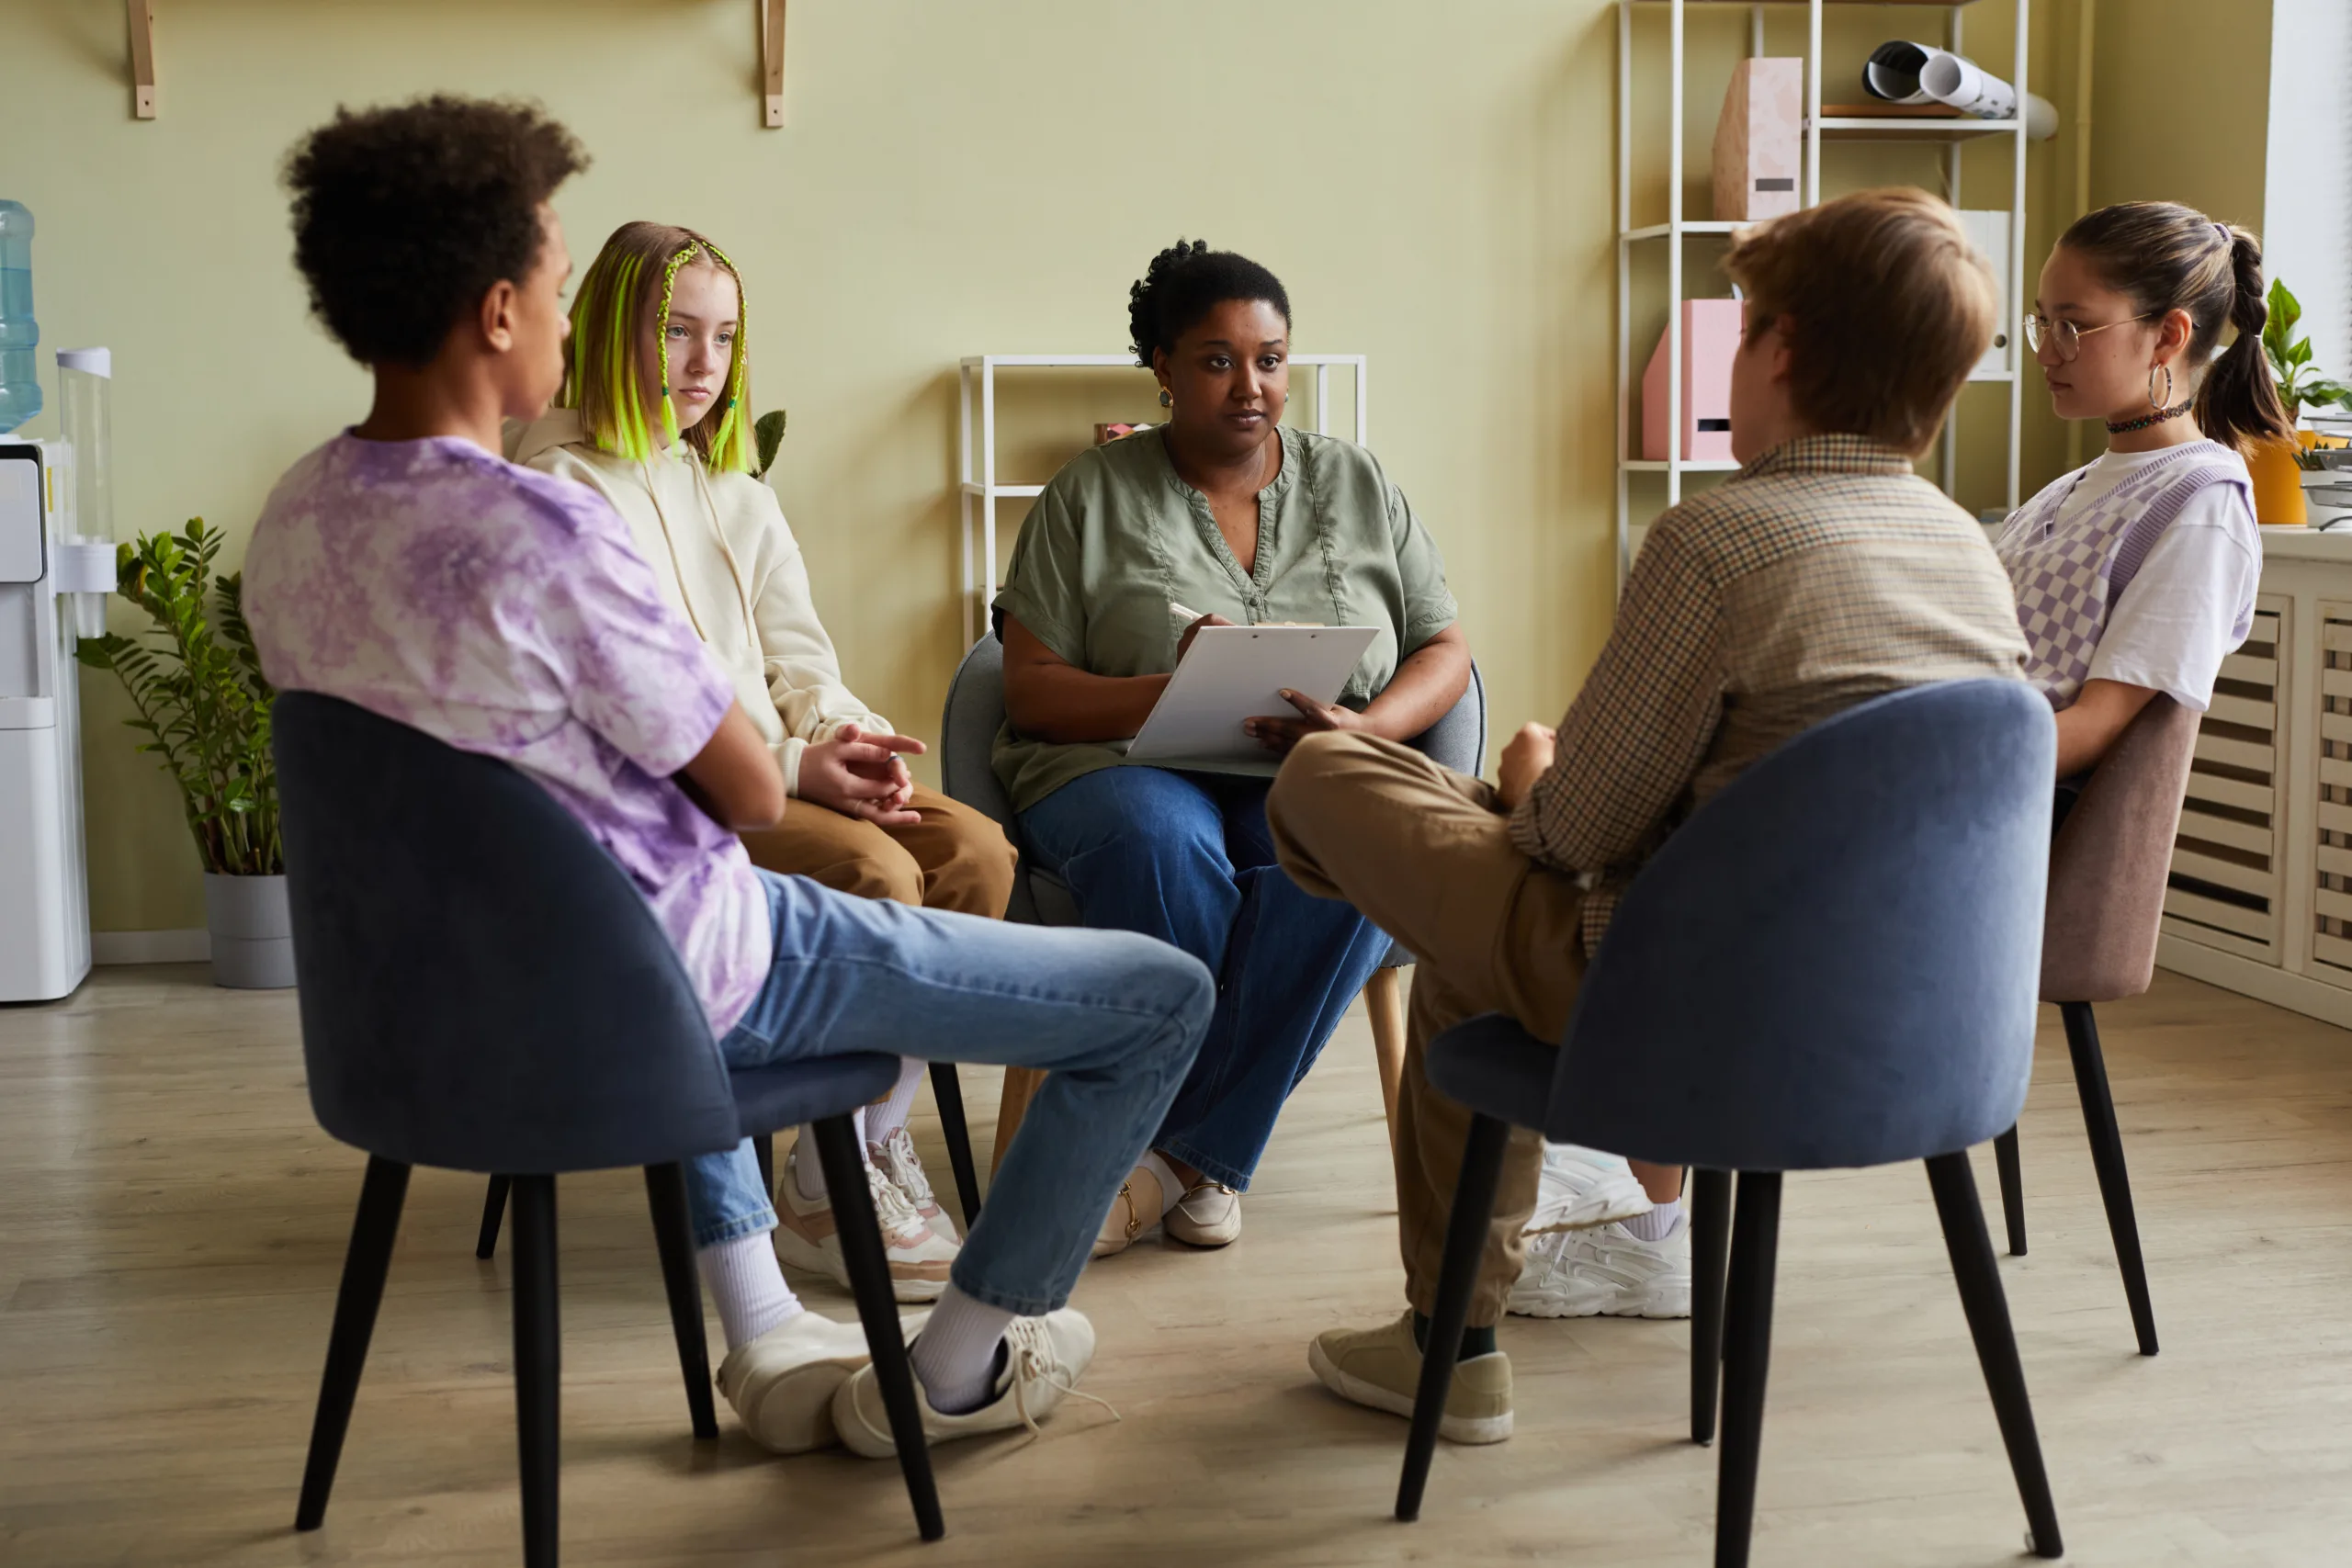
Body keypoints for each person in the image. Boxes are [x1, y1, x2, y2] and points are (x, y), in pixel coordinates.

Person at [245, 96, 1213, 1461]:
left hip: (424, 1012)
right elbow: (753, 792)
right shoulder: (549, 529)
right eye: (565, 282)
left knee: (681, 879)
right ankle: (950, 1365)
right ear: (503, 307)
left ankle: (763, 1326)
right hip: (676, 975)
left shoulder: (293, 518)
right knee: (1161, 997)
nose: (575, 316)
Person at [1264, 188, 2032, 1442]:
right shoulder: (1966, 552)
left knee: (1321, 773)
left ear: (1782, 350)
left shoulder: (1718, 538)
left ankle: (1450, 1348)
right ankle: (1446, 1340)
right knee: (1475, 954)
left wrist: (1527, 777)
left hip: (1687, 1002)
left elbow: (1571, 835)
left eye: (1739, 327)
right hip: (1920, 1028)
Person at [514, 221, 1018, 1303]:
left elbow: (801, 662)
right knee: (877, 875)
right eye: (677, 334)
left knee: (975, 851)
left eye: (725, 338)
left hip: (785, 769)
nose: (705, 366)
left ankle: (856, 1148)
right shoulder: (560, 492)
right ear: (607, 332)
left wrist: (853, 742)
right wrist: (798, 766)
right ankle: (823, 1182)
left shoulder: (739, 497)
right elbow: (631, 712)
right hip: (662, 803)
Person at [991, 240, 1472, 1255]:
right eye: (1216, 360)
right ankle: (1199, 1154)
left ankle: (1170, 1157)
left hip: (1309, 761)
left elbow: (1445, 648)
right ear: (1161, 369)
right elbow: (1029, 690)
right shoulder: (1088, 492)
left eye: (1270, 358)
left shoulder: (1357, 482)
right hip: (1121, 765)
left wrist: (1364, 728)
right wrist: (1167, 692)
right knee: (1165, 852)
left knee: (1356, 851)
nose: (1249, 386)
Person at [1996, 200, 2289, 778]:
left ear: (2167, 337)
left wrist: (1917, 765)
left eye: (2072, 326)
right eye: (2043, 322)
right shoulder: (2060, 495)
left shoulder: (2202, 505)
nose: (2046, 352)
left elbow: (2095, 727)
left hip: (2015, 812)